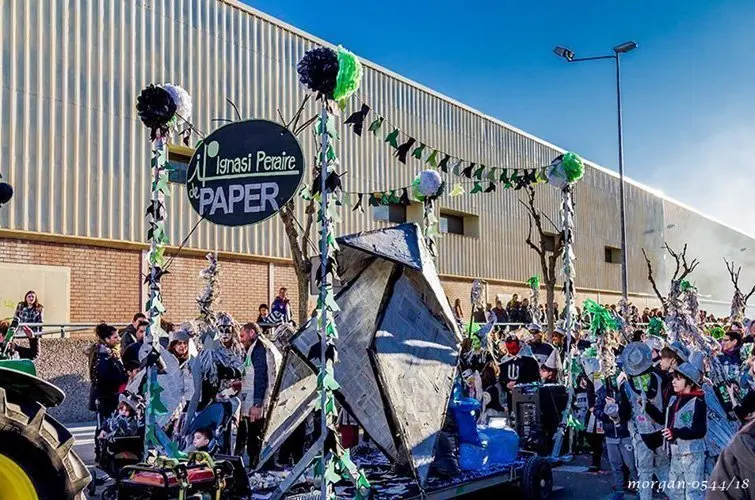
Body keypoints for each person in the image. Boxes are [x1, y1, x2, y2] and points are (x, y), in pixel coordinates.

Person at [621, 342, 669, 500]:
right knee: (664, 469)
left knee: (645, 473)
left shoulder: (626, 385)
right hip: (662, 430)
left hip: (640, 433)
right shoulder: (661, 377)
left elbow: (625, 413)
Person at [237, 322, 282, 467]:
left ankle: (257, 467)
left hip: (258, 403)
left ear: (251, 333)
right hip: (264, 401)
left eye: (243, 335)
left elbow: (260, 376)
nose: (241, 339)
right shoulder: (263, 346)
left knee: (256, 439)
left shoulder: (259, 349)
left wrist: (256, 404)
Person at [663, 361, 707, 500]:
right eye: (673, 378)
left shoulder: (698, 401)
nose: (674, 382)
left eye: (678, 379)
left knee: (693, 493)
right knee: (675, 491)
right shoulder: (674, 400)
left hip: (693, 453)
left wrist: (676, 432)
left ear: (690, 382)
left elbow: (700, 430)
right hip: (676, 452)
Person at [88, 323, 127, 460]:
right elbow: (105, 376)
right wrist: (125, 376)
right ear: (107, 339)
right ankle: (101, 453)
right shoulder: (103, 354)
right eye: (115, 337)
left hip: (107, 395)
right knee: (103, 425)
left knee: (105, 424)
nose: (118, 339)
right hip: (105, 396)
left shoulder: (106, 351)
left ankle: (103, 453)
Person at [594, 377, 637, 500]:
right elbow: (596, 409)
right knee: (615, 464)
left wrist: (617, 410)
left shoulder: (625, 389)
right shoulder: (602, 392)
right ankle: (619, 491)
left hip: (625, 434)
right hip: (610, 435)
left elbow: (629, 410)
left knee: (632, 465)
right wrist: (608, 415)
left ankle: (640, 488)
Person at [498, 333, 540, 411]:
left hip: (527, 396)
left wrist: (518, 384)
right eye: (509, 348)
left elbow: (534, 378)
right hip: (510, 397)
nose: (511, 350)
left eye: (513, 347)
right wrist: (506, 385)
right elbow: (501, 377)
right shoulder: (504, 361)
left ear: (519, 345)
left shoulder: (529, 360)